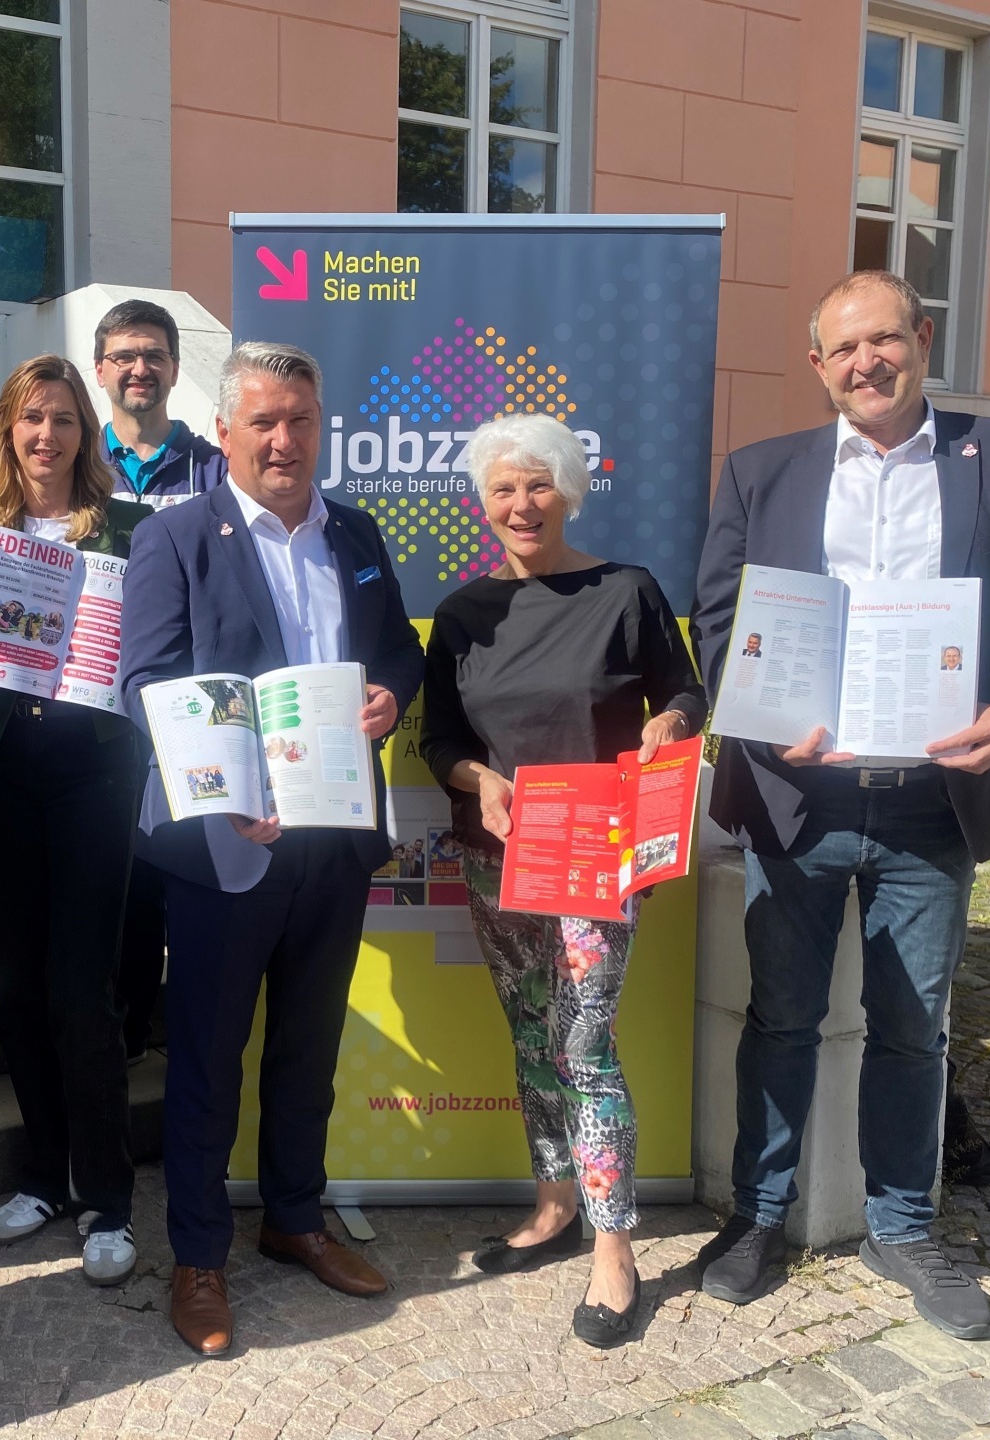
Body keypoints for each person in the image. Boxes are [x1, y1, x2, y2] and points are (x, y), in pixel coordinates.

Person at [692, 270, 990, 1340]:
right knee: (781, 1017)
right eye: (843, 349)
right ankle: (757, 1216)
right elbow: (719, 625)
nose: (867, 363)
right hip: (800, 800)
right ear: (818, 366)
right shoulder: (761, 472)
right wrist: (766, 714)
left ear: (922, 337)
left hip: (932, 803)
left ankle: (904, 1226)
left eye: (885, 340)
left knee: (915, 1026)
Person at [121, 342, 425, 1356]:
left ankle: (295, 1219)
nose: (285, 439)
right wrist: (222, 795)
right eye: (264, 422)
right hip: (228, 848)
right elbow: (147, 683)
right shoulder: (175, 537)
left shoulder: (357, 531)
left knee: (307, 1049)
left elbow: (398, 654)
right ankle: (200, 1257)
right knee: (208, 1058)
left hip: (334, 840)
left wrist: (389, 693)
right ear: (225, 432)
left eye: (300, 418)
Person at [419, 413, 707, 1349]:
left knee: (584, 1044)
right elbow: (441, 741)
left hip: (600, 853)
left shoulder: (625, 590)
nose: (521, 503)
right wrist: (479, 781)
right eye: (503, 488)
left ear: (569, 489)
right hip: (499, 855)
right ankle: (551, 1206)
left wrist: (668, 724)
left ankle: (614, 1247)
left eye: (537, 485)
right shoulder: (464, 614)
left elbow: (685, 691)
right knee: (532, 1034)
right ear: (483, 502)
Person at [0, 355, 153, 1286]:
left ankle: (106, 1197)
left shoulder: (131, 529)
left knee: (83, 992)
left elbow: (155, 645)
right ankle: (42, 1176)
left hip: (94, 777)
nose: (47, 436)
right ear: (6, 428)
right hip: (0, 772)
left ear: (86, 432)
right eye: (31, 418)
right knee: (18, 989)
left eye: (64, 419)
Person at [92, 299, 230, 1060]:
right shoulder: (80, 465)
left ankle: (196, 1038)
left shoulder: (216, 468)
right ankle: (128, 1032)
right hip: (100, 710)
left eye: (154, 354)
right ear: (101, 368)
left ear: (175, 368)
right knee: (125, 886)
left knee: (195, 875)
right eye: (124, 355)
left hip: (196, 714)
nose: (139, 368)